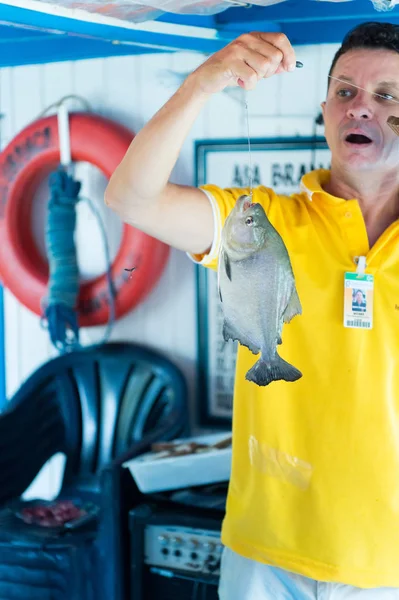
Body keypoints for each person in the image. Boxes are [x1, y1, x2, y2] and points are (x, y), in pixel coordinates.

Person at [105, 21, 399, 599]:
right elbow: (130, 197)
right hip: (262, 555)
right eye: (345, 92)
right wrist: (203, 82)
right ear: (324, 110)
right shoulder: (263, 220)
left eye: (386, 95)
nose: (359, 108)